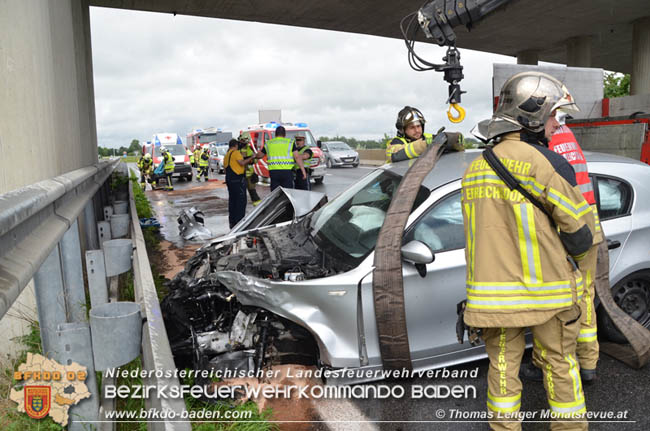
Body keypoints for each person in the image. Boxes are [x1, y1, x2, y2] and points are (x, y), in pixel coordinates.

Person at [461, 71, 596, 430]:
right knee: (559, 363)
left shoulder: (474, 169)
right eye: (554, 115)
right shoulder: (547, 164)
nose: (556, 125)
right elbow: (581, 236)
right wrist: (581, 274)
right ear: (533, 116)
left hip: (493, 300)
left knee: (502, 371)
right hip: (548, 294)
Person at [547, 112, 604, 382]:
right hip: (589, 225)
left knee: (564, 298)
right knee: (586, 294)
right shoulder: (567, 136)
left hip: (570, 229)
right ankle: (589, 362)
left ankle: (559, 361)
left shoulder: (545, 143)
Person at [385, 106, 464, 163]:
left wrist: (454, 140)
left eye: (418, 126)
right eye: (412, 127)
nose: (417, 130)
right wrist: (425, 144)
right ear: (402, 130)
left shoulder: (428, 137)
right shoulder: (396, 142)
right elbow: (394, 155)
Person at [257, 125, 306, 191]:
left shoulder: (268, 143)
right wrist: (303, 171)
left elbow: (260, 155)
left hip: (274, 172)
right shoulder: (290, 142)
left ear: (275, 134)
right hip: (287, 172)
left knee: (275, 193)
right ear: (284, 134)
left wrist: (254, 155)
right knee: (288, 193)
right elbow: (297, 157)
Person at [224, 138, 255, 228]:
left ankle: (232, 222)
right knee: (240, 202)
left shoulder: (227, 155)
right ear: (236, 145)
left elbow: (226, 170)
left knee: (232, 201)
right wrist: (251, 158)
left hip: (229, 180)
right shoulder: (236, 153)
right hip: (237, 180)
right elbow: (242, 163)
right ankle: (240, 222)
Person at [239, 132, 262, 205]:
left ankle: (258, 207)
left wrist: (251, 160)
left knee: (252, 192)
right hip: (240, 175)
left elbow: (255, 160)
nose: (243, 142)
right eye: (242, 140)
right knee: (241, 194)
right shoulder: (237, 150)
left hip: (249, 175)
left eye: (244, 140)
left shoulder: (249, 149)